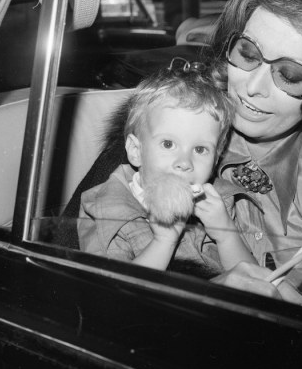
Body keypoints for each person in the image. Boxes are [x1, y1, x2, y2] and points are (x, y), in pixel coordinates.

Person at [60, 0, 302, 301]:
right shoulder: (163, 142)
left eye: (290, 74)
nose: (252, 87)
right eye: (248, 53)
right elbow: (69, 293)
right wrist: (203, 298)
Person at [78, 62, 255, 274]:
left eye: (200, 149)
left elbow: (256, 282)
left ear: (216, 159)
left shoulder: (220, 204)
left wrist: (226, 234)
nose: (185, 162)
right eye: (168, 144)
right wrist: (163, 242)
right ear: (136, 150)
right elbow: (112, 297)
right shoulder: (103, 209)